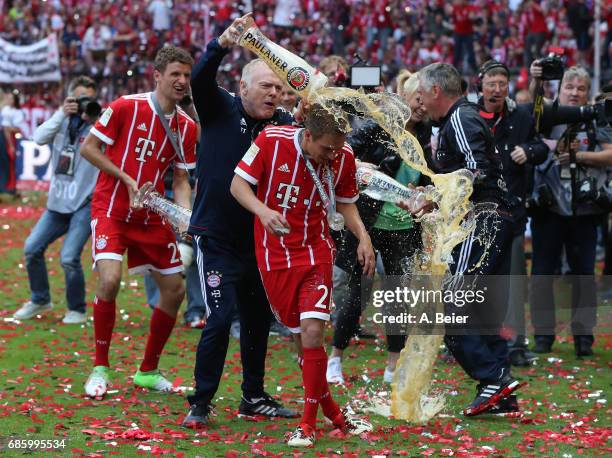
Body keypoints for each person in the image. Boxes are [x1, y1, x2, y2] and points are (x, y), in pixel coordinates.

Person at [230, 104, 375, 447]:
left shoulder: (343, 155)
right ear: (307, 135)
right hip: (275, 256)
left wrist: (363, 236)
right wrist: (263, 211)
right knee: (302, 342)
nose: (332, 155)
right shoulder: (270, 140)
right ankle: (333, 413)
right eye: (326, 148)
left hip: (316, 252)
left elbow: (346, 201)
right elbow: (238, 185)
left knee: (313, 333)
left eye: (338, 149)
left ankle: (307, 426)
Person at [181, 14, 296, 428]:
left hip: (259, 240)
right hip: (216, 237)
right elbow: (200, 78)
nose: (274, 93)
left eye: (280, 88)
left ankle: (253, 396)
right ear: (243, 86)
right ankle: (201, 399)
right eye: (266, 86)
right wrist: (221, 43)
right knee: (219, 314)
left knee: (257, 319)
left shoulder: (284, 124)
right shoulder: (219, 107)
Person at [79, 45, 198, 398]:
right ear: (157, 75)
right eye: (175, 74)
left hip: (151, 215)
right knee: (110, 279)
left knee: (175, 289)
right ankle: (100, 367)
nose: (181, 81)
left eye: (186, 76)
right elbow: (89, 148)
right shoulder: (124, 106)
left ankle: (147, 371)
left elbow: (180, 180)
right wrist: (127, 178)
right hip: (112, 209)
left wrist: (183, 216)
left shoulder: (187, 128)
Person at [412, 62, 521, 417]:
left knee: (450, 302)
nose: (418, 100)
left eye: (420, 92)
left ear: (435, 91)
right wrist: (430, 194)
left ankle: (492, 379)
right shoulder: (452, 123)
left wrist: (436, 196)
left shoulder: (460, 118)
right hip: (495, 219)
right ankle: (501, 393)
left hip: (484, 220)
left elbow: (477, 171)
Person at [326, 72, 429, 385]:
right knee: (356, 296)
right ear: (404, 98)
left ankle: (392, 366)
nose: (423, 107)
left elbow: (429, 178)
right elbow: (342, 150)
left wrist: (424, 196)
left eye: (427, 101)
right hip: (367, 224)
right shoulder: (378, 126)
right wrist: (358, 165)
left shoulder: (427, 135)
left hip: (403, 227)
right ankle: (335, 358)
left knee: (398, 298)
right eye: (417, 100)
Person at [528, 65, 612, 357]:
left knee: (583, 276)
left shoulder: (596, 115)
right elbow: (532, 103)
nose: (574, 93)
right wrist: (537, 79)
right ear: (559, 89)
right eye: (569, 88)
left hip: (585, 209)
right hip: (548, 208)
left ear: (587, 92)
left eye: (580, 89)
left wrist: (579, 155)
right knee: (541, 274)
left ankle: (583, 339)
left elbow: (611, 152)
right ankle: (542, 337)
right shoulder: (546, 114)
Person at [476, 60, 549, 366]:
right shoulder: (468, 117)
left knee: (514, 280)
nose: (496, 88)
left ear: (507, 87)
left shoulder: (519, 116)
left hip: (514, 213)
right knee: (478, 280)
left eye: (501, 83)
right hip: (478, 213)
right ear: (481, 84)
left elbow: (540, 144)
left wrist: (529, 152)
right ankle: (473, 340)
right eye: (491, 82)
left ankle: (516, 344)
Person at [13, 76, 100, 324]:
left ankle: (77, 309)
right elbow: (39, 138)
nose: (85, 103)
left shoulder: (98, 122)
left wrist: (96, 119)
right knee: (31, 249)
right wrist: (62, 113)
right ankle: (40, 299)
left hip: (84, 203)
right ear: (70, 97)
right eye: (80, 98)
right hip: (57, 204)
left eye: (89, 98)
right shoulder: (60, 121)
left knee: (69, 257)